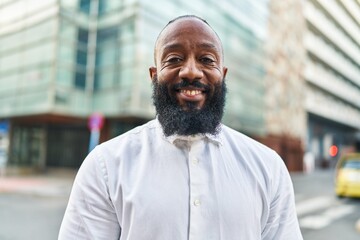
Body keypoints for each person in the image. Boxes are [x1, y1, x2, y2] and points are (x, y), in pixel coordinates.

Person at [58, 15, 303, 240]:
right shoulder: (105, 166)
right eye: (174, 59)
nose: (191, 71)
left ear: (223, 75)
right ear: (154, 76)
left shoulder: (268, 167)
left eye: (207, 60)